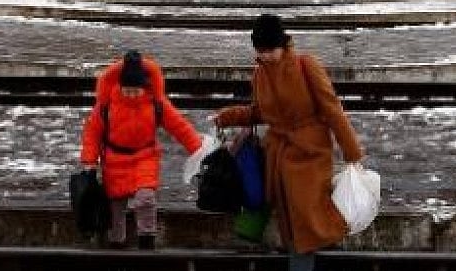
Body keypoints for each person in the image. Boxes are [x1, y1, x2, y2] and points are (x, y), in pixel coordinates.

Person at [212, 14, 365, 271]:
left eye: (270, 50)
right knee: (292, 228)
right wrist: (227, 116)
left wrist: (352, 151)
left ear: (282, 45)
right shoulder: (259, 75)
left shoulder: (306, 66)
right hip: (278, 158)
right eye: (260, 51)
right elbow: (260, 112)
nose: (265, 56)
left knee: (307, 223)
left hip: (309, 155)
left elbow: (332, 110)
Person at [79, 50, 203, 250]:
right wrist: (89, 161)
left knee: (146, 198)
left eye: (136, 91)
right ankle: (116, 244)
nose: (132, 94)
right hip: (114, 160)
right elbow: (92, 133)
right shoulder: (106, 106)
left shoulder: (156, 104)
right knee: (115, 207)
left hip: (145, 157)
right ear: (119, 86)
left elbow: (179, 126)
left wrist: (197, 148)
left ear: (144, 87)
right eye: (127, 91)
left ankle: (147, 241)